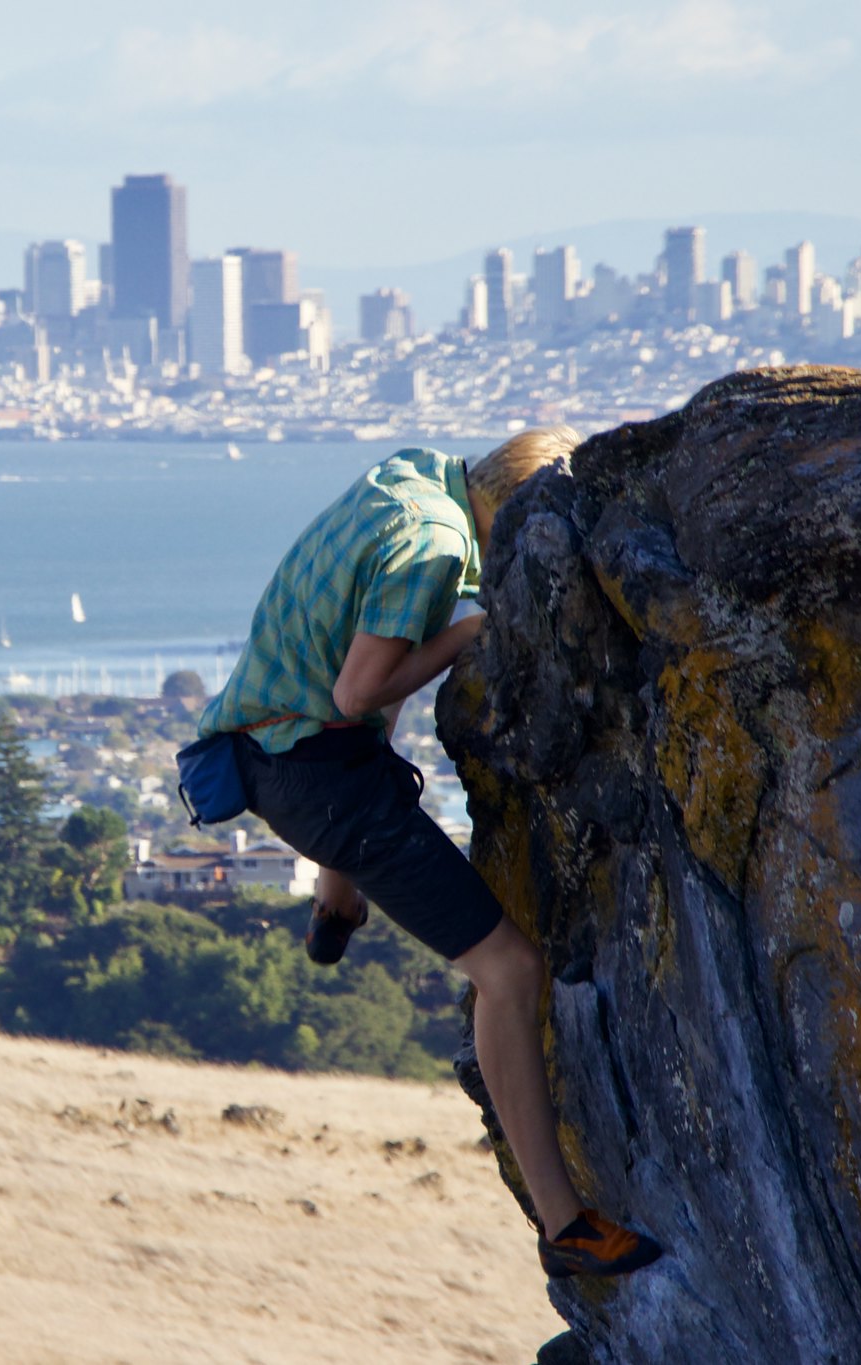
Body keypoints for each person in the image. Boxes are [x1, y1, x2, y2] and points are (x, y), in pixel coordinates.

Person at [196, 426, 663, 1279]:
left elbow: (356, 674)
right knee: (510, 971)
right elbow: (358, 691)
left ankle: (337, 899)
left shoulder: (413, 478)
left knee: (383, 697)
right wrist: (470, 630)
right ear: (514, 513)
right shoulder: (436, 546)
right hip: (312, 774)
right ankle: (565, 1226)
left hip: (283, 740)